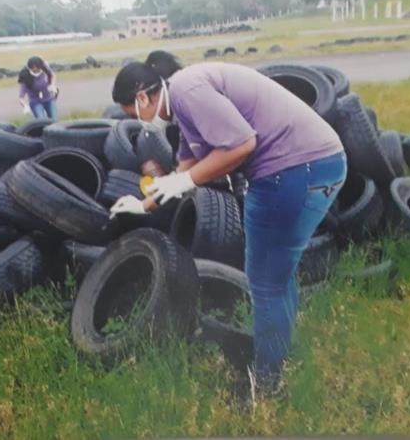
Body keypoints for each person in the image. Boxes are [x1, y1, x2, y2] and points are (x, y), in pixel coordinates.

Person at [108, 51, 346, 394]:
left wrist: (185, 182)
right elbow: (189, 163)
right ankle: (280, 360)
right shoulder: (184, 99)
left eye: (137, 115)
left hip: (293, 169)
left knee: (266, 282)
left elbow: (240, 145)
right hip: (312, 163)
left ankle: (267, 387)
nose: (144, 125)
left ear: (143, 96)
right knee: (278, 274)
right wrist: (144, 204)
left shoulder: (188, 90)